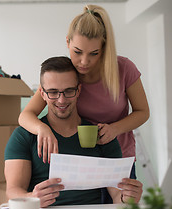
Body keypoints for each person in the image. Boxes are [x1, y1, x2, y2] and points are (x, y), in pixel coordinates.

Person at [18, 5, 150, 165]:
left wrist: (115, 129)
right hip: (78, 160)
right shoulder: (64, 75)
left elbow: (143, 112)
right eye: (78, 52)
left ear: (104, 48)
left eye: (94, 53)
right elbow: (25, 116)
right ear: (67, 42)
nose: (84, 62)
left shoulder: (124, 68)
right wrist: (42, 129)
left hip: (119, 158)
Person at [4, 56, 143, 208]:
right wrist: (32, 197)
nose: (61, 100)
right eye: (53, 92)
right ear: (42, 94)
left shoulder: (101, 136)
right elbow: (12, 191)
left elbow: (117, 196)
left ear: (79, 90)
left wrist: (128, 197)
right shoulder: (24, 136)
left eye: (69, 91)